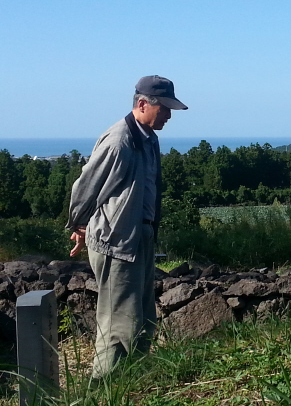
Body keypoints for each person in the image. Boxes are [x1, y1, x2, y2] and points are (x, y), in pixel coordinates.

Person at [66, 75, 187, 378]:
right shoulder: (121, 140)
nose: (170, 116)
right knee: (119, 325)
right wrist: (79, 226)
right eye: (165, 109)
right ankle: (103, 387)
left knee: (142, 318)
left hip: (138, 237)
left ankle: (133, 382)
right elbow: (86, 186)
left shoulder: (147, 138)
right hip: (117, 241)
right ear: (143, 104)